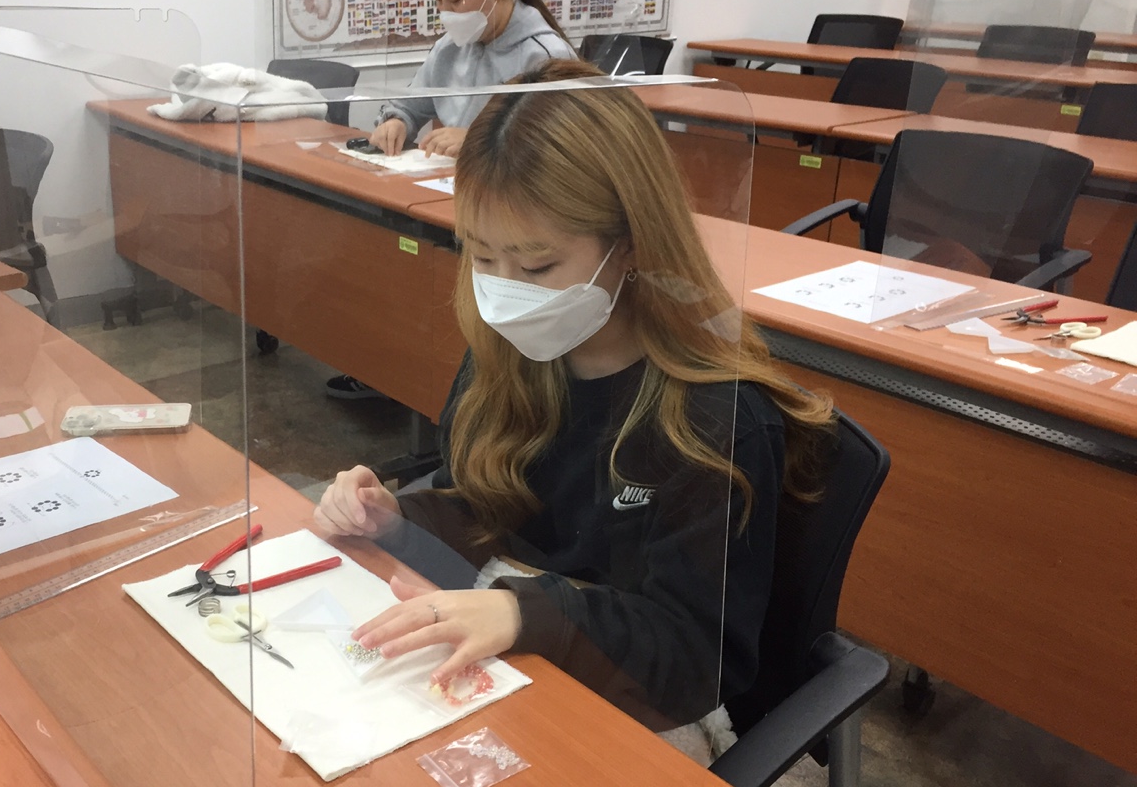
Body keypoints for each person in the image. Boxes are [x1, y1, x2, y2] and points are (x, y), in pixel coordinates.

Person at [313, 61, 836, 741]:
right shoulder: (514, 354)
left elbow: (693, 660)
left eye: (536, 266)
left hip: (649, 700)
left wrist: (527, 612)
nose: (505, 292)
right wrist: (397, 520)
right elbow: (494, 512)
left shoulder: (714, 420)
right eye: (482, 257)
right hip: (531, 640)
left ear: (629, 245)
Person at [328, 0, 573, 400]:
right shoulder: (451, 48)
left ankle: (458, 390)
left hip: (509, 226)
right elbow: (412, 102)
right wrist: (396, 120)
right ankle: (391, 368)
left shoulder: (545, 56)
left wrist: (483, 140)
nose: (445, 11)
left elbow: (562, 160)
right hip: (445, 201)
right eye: (438, 0)